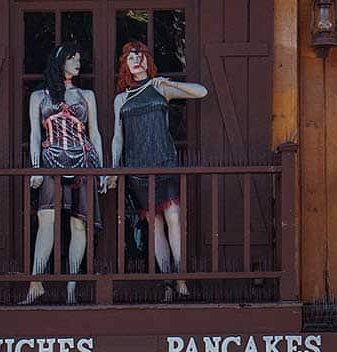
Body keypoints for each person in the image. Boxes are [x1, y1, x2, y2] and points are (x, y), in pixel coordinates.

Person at [110, 39, 208, 302]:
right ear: (125, 66)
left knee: (174, 216)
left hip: (164, 161)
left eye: (140, 55)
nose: (137, 61)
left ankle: (181, 278)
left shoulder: (160, 88)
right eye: (131, 58)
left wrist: (167, 83)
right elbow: (117, 138)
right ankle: (167, 282)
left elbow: (201, 92)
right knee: (154, 225)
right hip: (138, 168)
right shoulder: (122, 99)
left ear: (147, 60)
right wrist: (113, 169)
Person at [23, 42, 107, 305]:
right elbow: (35, 136)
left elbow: (95, 133)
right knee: (46, 218)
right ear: (60, 61)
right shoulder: (39, 97)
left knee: (78, 223)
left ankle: (72, 285)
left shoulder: (86, 95)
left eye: (79, 59)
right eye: (72, 59)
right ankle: (35, 282)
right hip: (50, 162)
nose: (77, 64)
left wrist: (103, 170)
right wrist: (35, 169)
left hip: (83, 161)